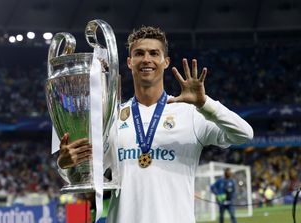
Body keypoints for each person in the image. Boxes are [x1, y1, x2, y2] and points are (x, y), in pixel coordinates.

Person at [57, 26, 254, 223]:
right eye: (139, 53)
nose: (146, 59)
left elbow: (244, 134)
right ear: (129, 62)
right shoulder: (112, 118)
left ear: (165, 62)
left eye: (154, 53)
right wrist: (66, 165)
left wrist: (205, 103)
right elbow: (87, 179)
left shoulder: (191, 113)